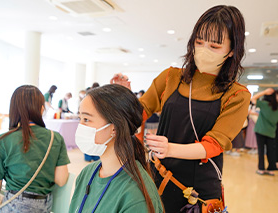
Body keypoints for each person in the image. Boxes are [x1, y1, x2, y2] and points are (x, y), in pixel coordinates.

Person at [111, 5, 250, 212]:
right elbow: (139, 112)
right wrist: (121, 98)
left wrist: (170, 149)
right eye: (199, 42)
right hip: (158, 175)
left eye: (214, 46)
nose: (203, 50)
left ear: (232, 50)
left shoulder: (237, 94)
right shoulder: (171, 77)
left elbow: (213, 145)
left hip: (197, 191)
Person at [0, 85, 70, 213]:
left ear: (14, 110)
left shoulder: (1, 142)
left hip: (15, 205)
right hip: (44, 205)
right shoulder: (56, 138)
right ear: (42, 109)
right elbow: (61, 179)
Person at [69, 84, 163, 213]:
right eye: (80, 118)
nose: (80, 126)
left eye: (86, 119)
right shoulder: (87, 173)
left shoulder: (134, 196)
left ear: (115, 128)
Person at [251, 88, 278, 176]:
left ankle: (261, 169)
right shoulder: (268, 105)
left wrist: (264, 92)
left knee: (262, 151)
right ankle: (270, 169)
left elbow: (253, 98)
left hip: (261, 130)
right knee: (271, 151)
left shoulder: (265, 104)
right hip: (269, 132)